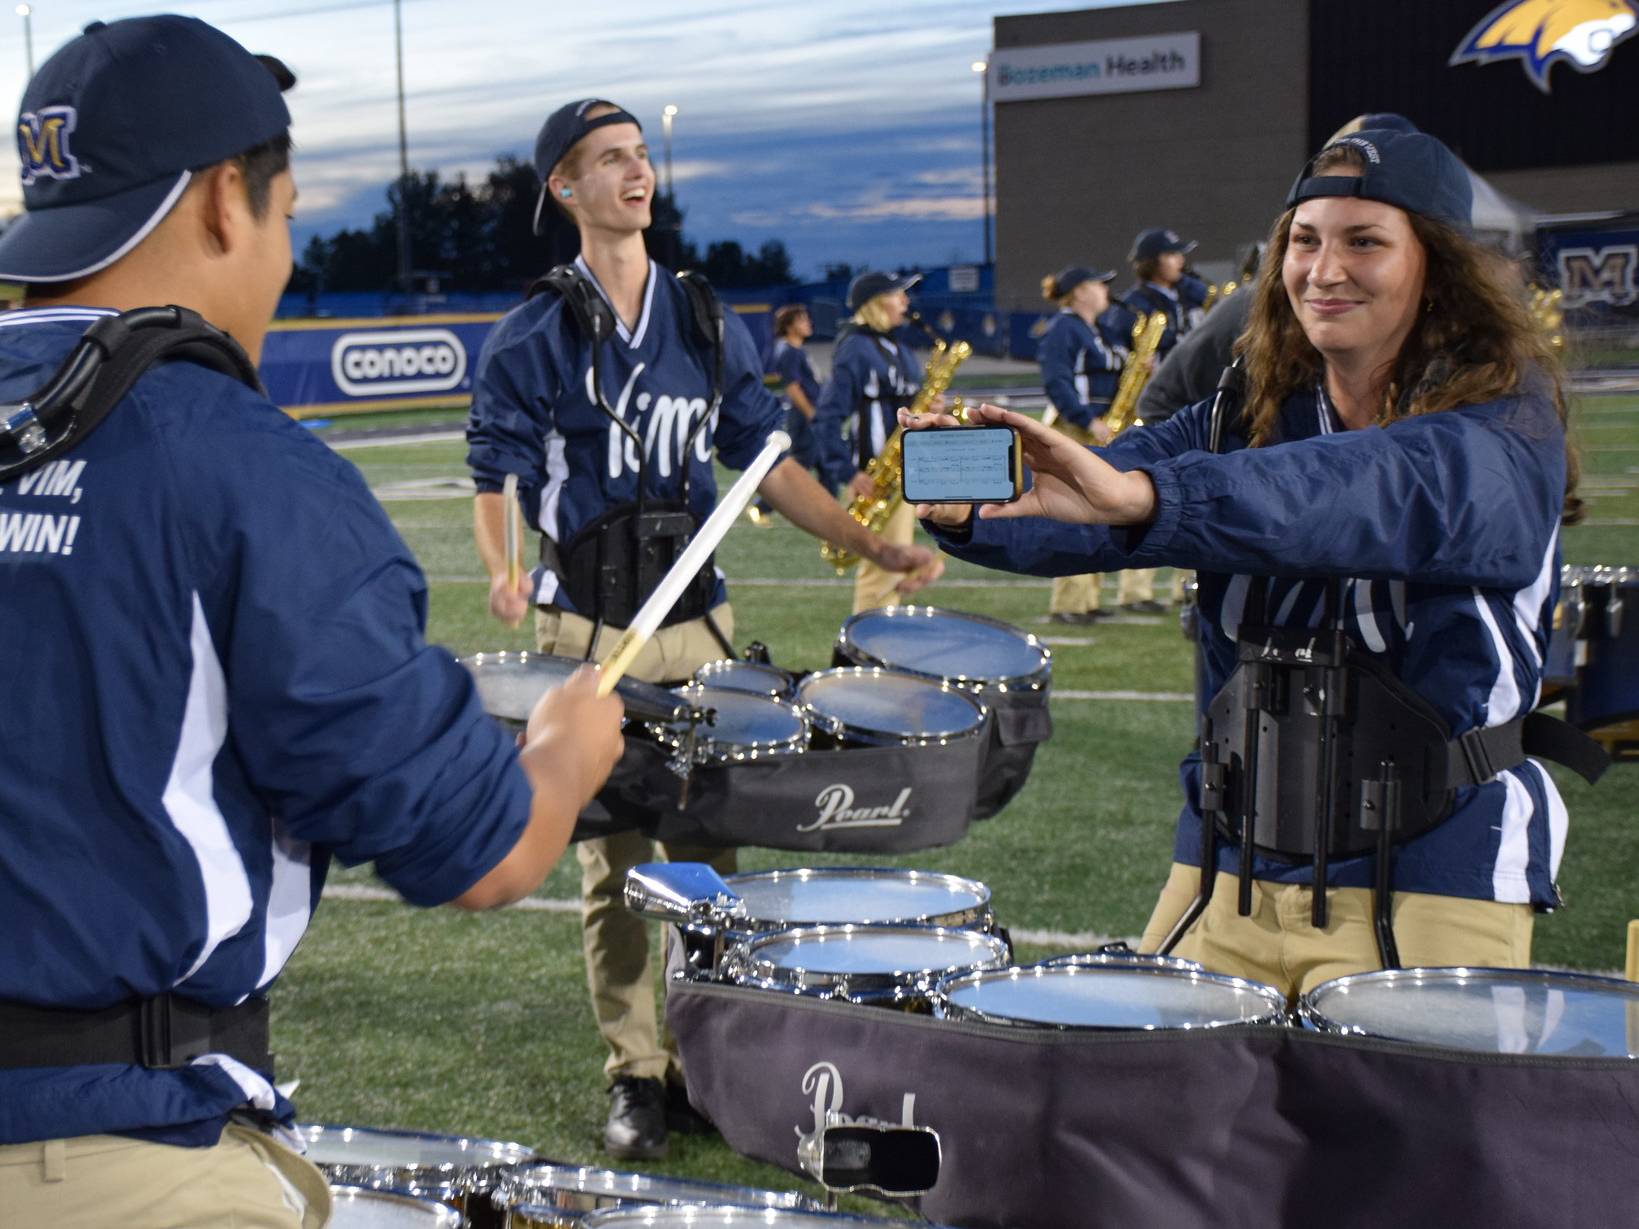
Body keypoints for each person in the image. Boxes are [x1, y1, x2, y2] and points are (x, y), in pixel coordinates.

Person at [0, 18, 623, 1229]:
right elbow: (481, 852)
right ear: (228, 202)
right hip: (115, 1155)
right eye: (286, 215)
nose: (282, 256)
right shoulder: (244, 467)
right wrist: (565, 752)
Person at [912, 127, 1586, 999]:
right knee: (1155, 1122)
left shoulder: (1502, 425)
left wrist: (1153, 499)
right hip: (1224, 865)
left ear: (1440, 267)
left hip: (1430, 868)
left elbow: (1358, 490)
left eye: (1364, 241)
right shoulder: (1247, 407)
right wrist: (988, 512)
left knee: (1394, 1136)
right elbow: (1106, 496)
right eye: (1303, 240)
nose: (1323, 268)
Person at [466, 101, 938, 1161]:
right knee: (615, 862)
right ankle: (636, 1069)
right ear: (565, 188)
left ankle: (706, 1055)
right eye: (608, 161)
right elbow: (494, 465)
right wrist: (501, 569)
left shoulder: (701, 318)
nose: (635, 174)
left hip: (699, 624)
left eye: (639, 156)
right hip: (589, 631)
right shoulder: (533, 332)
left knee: (708, 851)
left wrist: (875, 545)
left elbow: (766, 460)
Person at [813, 270, 946, 614]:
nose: (905, 301)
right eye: (897, 294)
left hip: (905, 468)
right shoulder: (855, 348)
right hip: (875, 474)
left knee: (896, 564)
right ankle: (869, 648)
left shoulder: (897, 348)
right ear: (874, 304)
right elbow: (827, 416)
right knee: (880, 571)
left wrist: (927, 406)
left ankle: (886, 635)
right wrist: (848, 472)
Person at [1098, 227, 1201, 614]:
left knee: (1190, 490)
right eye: (1172, 255)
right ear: (1153, 261)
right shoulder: (1133, 306)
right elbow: (1114, 354)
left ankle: (1185, 583)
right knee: (1142, 494)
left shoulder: (1186, 295)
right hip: (1149, 407)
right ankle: (1135, 589)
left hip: (1187, 404)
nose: (1180, 261)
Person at [1035, 265, 1125, 625]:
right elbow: (1056, 381)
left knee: (1099, 511)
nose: (1106, 291)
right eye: (1098, 285)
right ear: (1079, 292)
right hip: (1076, 429)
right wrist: (1087, 419)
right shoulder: (1063, 329)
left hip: (1098, 428)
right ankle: (1069, 600)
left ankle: (1088, 597)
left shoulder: (1097, 329)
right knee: (1075, 512)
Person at [747, 303, 827, 524]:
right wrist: (811, 413)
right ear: (790, 327)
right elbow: (792, 386)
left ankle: (825, 514)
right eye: (802, 320)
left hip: (810, 414)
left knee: (827, 465)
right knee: (802, 462)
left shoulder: (797, 350)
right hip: (803, 416)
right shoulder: (788, 351)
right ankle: (761, 507)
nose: (808, 323)